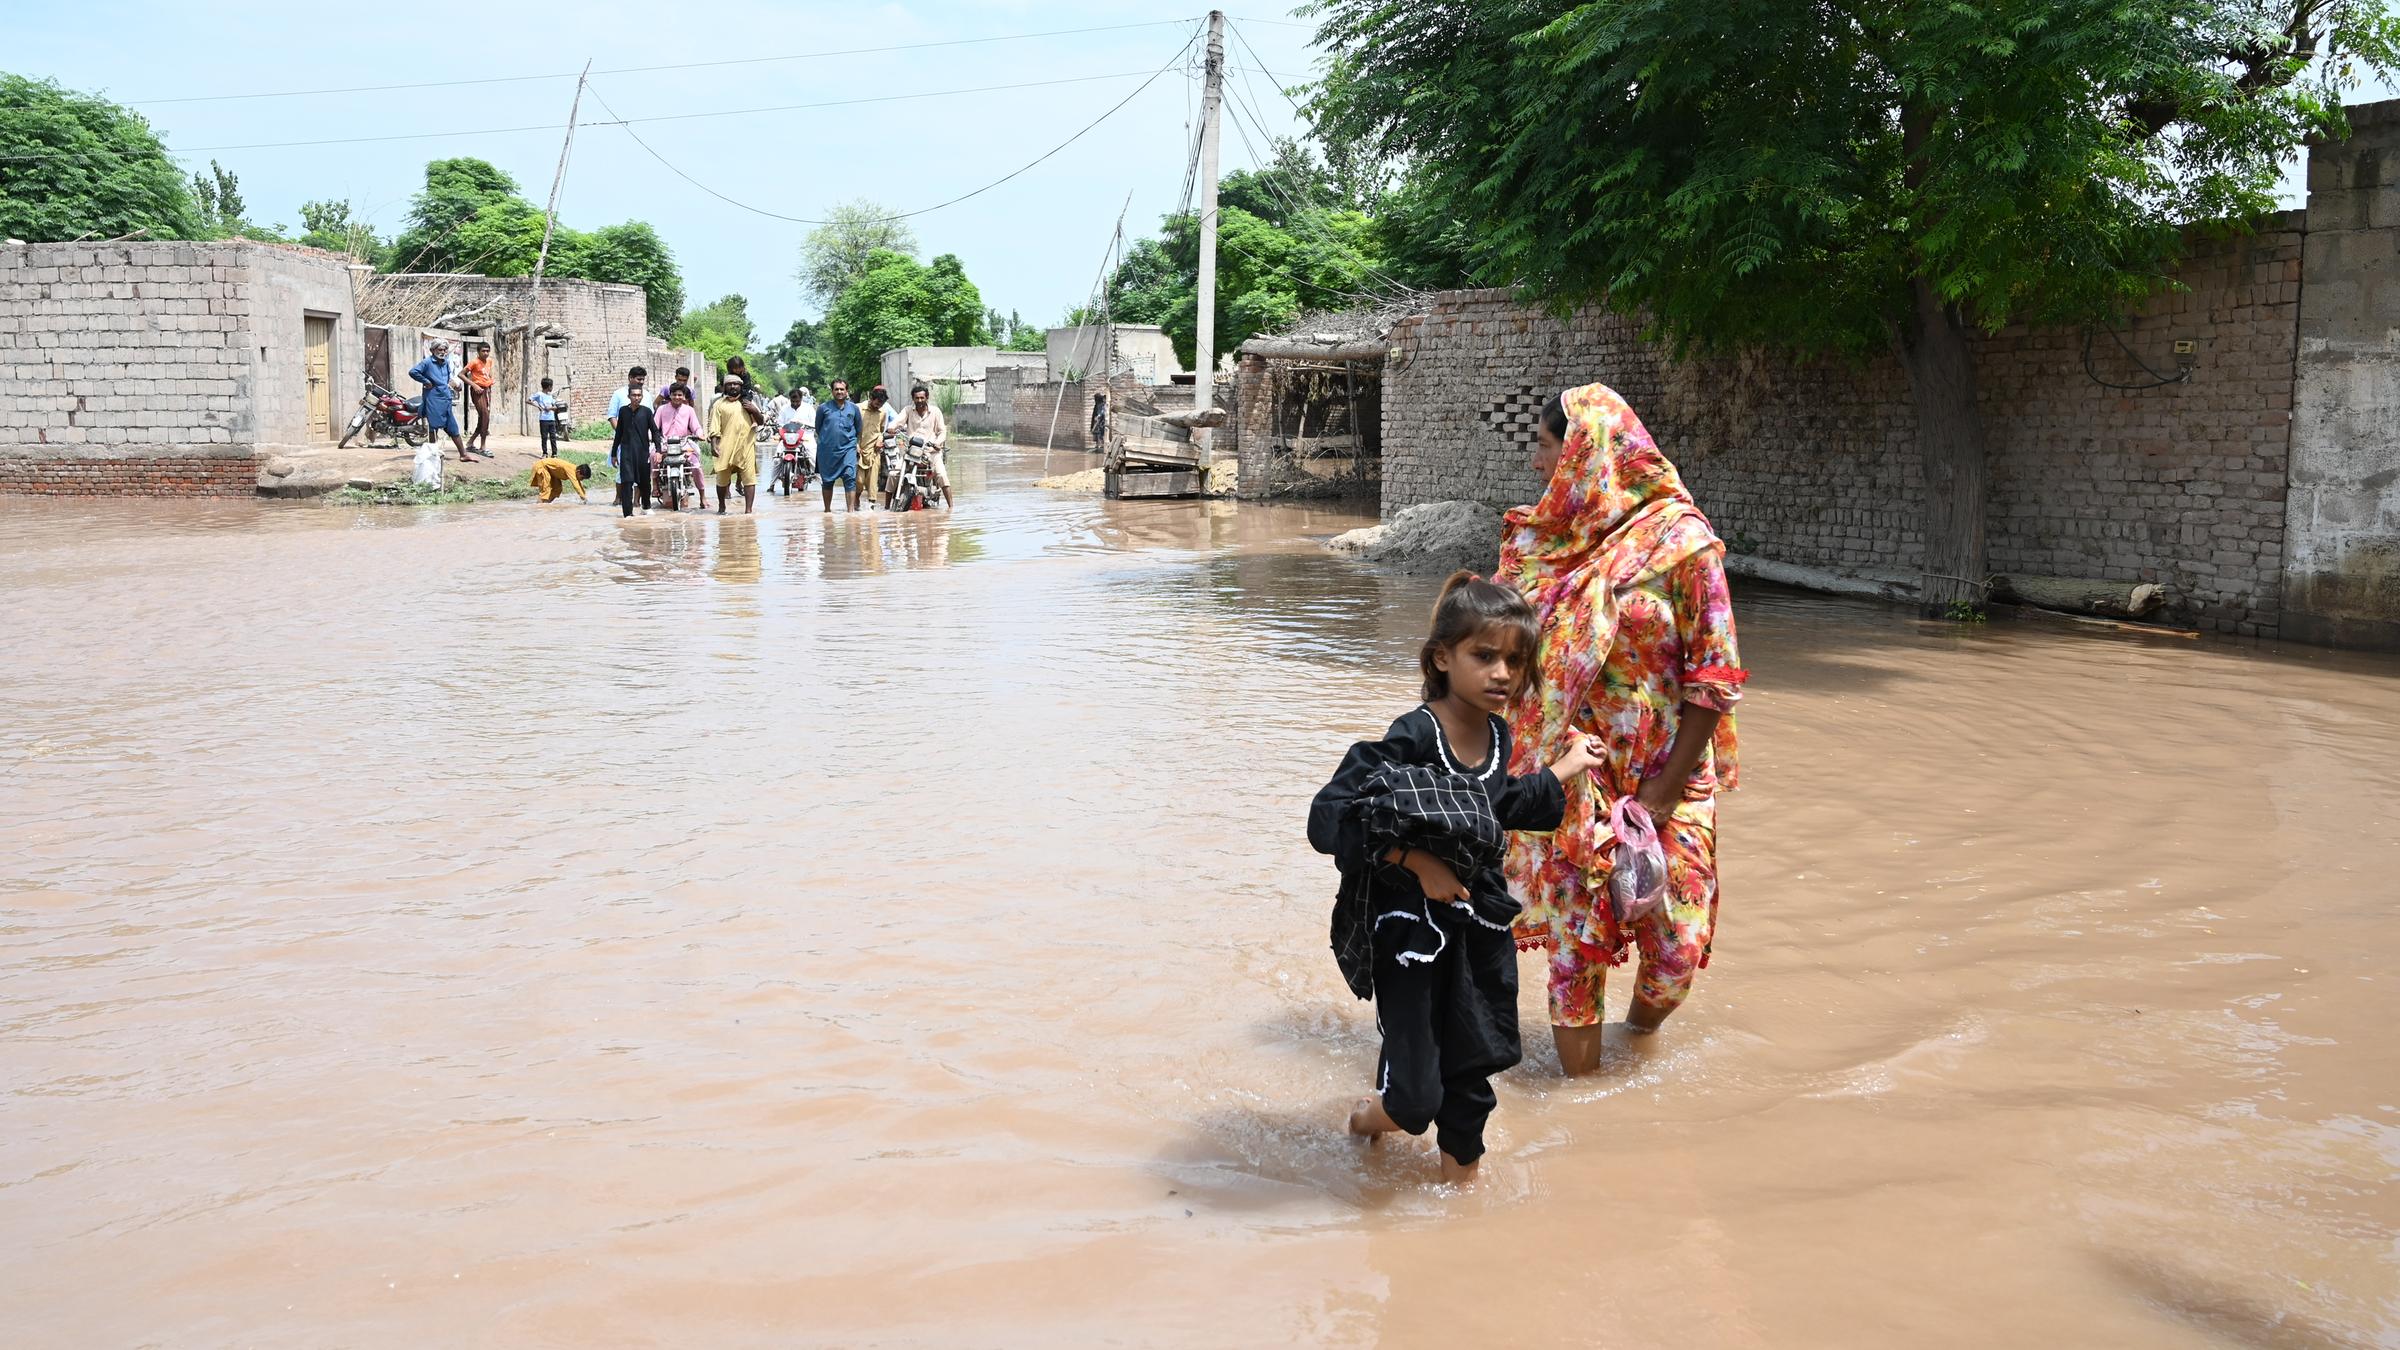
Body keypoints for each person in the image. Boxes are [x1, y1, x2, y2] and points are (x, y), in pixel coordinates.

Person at [1309, 574, 1601, 1184]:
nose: (1503, 674)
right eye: (1485, 655)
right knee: (1416, 1100)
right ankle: (1367, 1120)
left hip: (1477, 931)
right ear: (1443, 658)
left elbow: (1493, 810)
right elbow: (1333, 816)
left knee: (1472, 1074)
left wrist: (1565, 770)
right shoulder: (1414, 735)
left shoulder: (1498, 735)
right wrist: (1417, 863)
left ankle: (1460, 1213)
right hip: (1411, 937)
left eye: (1515, 661)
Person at [1501, 383, 1747, 1076]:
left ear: (1585, 452)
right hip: (1574, 775)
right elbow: (1498, 661)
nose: (1536, 463)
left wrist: (1666, 791)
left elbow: (1715, 675)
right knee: (1579, 946)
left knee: (1676, 949)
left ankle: (1636, 1043)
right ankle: (1578, 1115)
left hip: (1671, 776)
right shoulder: (1547, 545)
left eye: (1545, 445)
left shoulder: (1682, 544)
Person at [407, 340, 471, 464]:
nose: (442, 352)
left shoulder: (446, 363)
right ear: (433, 350)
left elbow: (447, 379)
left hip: (445, 398)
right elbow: (413, 372)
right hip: (433, 398)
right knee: (434, 427)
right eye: (439, 350)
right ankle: (432, 455)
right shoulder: (427, 362)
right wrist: (425, 381)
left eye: (444, 350)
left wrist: (455, 386)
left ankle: (463, 454)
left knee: (453, 427)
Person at [898, 383, 956, 507]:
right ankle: (887, 507)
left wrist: (937, 443)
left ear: (927, 398)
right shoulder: (907, 410)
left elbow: (942, 431)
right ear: (913, 398)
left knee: (941, 475)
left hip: (931, 451)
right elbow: (897, 422)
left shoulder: (935, 411)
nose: (919, 400)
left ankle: (951, 507)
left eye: (922, 398)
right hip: (911, 451)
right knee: (894, 473)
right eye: (917, 398)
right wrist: (892, 428)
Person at [709, 376, 761, 513]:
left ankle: (748, 511)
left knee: (749, 479)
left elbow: (761, 422)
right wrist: (713, 444)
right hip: (725, 446)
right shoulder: (719, 404)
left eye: (736, 384)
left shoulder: (747, 403)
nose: (733, 387)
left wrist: (754, 410)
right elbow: (714, 427)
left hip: (746, 446)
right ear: (724, 387)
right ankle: (721, 507)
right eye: (729, 384)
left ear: (740, 386)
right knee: (722, 479)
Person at [815, 378, 865, 512]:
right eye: (836, 389)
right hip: (827, 451)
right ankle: (827, 511)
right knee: (827, 481)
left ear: (846, 391)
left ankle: (850, 513)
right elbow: (818, 428)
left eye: (842, 389)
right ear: (832, 391)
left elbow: (859, 429)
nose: (839, 392)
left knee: (850, 477)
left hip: (848, 449)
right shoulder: (823, 408)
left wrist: (856, 445)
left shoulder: (854, 408)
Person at [654, 384, 705, 510]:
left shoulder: (689, 410)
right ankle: (654, 486)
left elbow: (696, 426)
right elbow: (654, 427)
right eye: (674, 394)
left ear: (684, 397)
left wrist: (700, 434)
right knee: (652, 456)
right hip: (665, 443)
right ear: (670, 395)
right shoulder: (661, 409)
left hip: (684, 443)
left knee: (696, 465)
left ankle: (702, 496)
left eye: (680, 395)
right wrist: (650, 436)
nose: (677, 397)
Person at [611, 391, 661, 517]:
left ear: (642, 397)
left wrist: (658, 451)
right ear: (629, 396)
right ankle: (627, 514)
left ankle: (646, 506)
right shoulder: (623, 411)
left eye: (639, 395)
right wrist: (613, 453)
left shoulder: (646, 412)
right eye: (634, 395)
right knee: (626, 482)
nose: (636, 398)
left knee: (644, 482)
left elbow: (655, 431)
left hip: (642, 452)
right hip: (626, 453)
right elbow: (619, 433)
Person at [859, 385, 896, 508]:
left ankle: (872, 509)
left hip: (874, 451)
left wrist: (880, 439)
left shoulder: (883, 412)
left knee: (873, 482)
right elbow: (850, 429)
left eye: (881, 404)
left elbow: (881, 430)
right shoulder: (858, 409)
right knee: (858, 482)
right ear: (871, 398)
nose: (878, 406)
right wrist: (854, 445)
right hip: (858, 450)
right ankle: (856, 502)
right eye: (876, 403)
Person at [462, 343, 496, 455]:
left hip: (486, 390)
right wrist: (474, 385)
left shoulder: (489, 361)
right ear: (478, 351)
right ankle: (483, 446)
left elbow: (488, 374)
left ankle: (470, 442)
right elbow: (461, 374)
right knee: (485, 415)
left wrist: (490, 381)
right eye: (483, 351)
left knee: (484, 417)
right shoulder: (474, 362)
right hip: (477, 391)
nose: (485, 353)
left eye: (487, 351)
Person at [529, 377, 566, 455]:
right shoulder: (539, 394)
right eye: (551, 386)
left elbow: (555, 407)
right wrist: (538, 406)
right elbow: (528, 401)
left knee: (553, 437)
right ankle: (545, 453)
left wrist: (550, 408)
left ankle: (554, 453)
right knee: (544, 437)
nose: (552, 388)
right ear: (548, 386)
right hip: (543, 419)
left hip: (551, 419)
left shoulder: (550, 396)